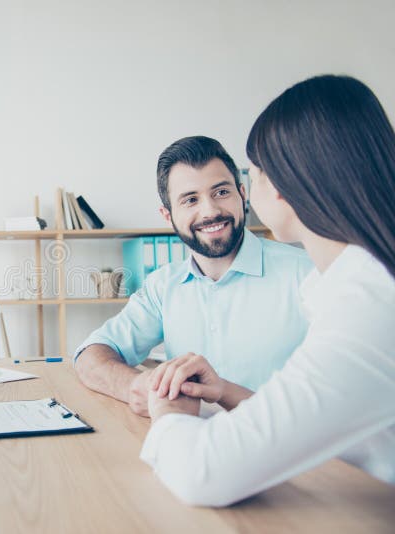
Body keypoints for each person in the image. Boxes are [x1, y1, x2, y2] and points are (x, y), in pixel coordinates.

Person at [141, 74, 395, 505]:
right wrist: (228, 393)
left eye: (250, 174)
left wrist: (166, 414)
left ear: (279, 187)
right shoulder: (355, 286)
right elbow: (337, 424)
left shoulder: (369, 306)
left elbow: (205, 473)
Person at [74, 136, 312, 416]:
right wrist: (135, 386)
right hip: (189, 446)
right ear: (168, 215)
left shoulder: (307, 273)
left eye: (221, 192)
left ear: (242, 195)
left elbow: (331, 407)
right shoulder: (163, 286)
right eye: (190, 200)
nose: (210, 211)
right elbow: (89, 354)